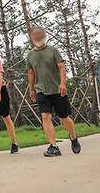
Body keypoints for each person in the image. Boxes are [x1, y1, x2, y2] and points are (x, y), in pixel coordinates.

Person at [26, 26, 81, 157]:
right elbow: (30, 72)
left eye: (40, 36)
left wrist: (63, 83)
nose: (38, 38)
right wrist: (31, 88)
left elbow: (61, 67)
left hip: (57, 89)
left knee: (64, 117)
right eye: (35, 36)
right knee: (45, 116)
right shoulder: (30, 55)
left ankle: (73, 137)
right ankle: (53, 146)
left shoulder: (53, 50)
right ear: (32, 38)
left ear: (44, 36)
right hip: (41, 90)